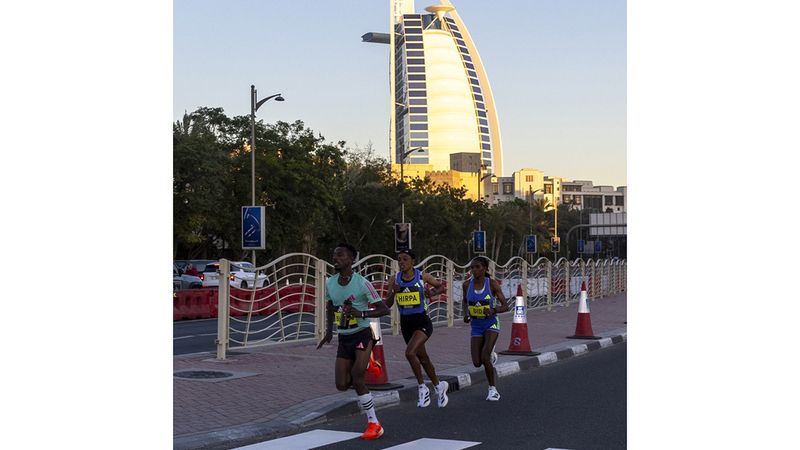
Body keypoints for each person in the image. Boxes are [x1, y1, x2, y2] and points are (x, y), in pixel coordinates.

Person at [316, 243, 390, 440]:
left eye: (340, 255)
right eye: (334, 255)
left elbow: (384, 309)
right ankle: (370, 363)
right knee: (342, 384)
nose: (335, 258)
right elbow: (331, 306)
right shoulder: (330, 283)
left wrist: (361, 313)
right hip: (344, 337)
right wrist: (329, 331)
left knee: (357, 377)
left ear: (351, 260)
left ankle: (374, 424)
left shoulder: (362, 283)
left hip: (362, 334)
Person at [384, 249, 449, 408]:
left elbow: (441, 288)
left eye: (405, 259)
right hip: (406, 324)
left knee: (410, 353)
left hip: (422, 322)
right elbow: (387, 304)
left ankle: (422, 387)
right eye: (399, 260)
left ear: (412, 261)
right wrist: (394, 292)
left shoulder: (422, 276)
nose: (402, 262)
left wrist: (430, 293)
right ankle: (439, 386)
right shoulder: (394, 279)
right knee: (423, 359)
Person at [462, 256, 509, 401]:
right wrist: (466, 313)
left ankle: (492, 389)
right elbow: (465, 301)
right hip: (476, 326)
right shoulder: (466, 285)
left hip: (491, 324)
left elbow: (506, 306)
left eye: (477, 267)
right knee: (477, 362)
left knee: (484, 356)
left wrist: (493, 310)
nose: (474, 270)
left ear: (485, 269)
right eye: (472, 267)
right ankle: (491, 356)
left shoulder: (492, 284)